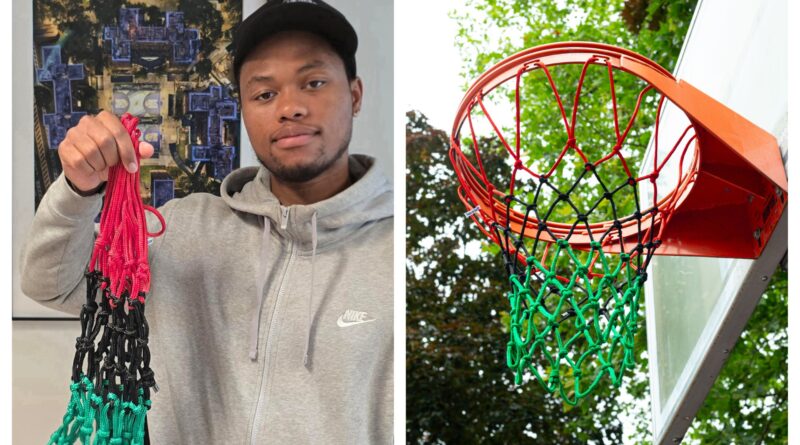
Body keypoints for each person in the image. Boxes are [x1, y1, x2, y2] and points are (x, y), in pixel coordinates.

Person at [20, 0, 393, 443]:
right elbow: (51, 284)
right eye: (264, 94)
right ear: (242, 109)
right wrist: (79, 190)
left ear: (354, 95)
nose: (290, 108)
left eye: (313, 83)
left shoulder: (394, 249)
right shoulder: (181, 230)